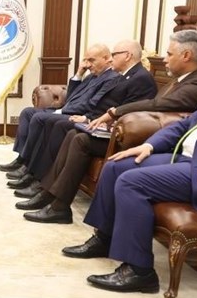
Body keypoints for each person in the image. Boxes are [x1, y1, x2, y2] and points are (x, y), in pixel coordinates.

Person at [63, 40, 197, 293]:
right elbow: (183, 126)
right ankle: (105, 238)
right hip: (183, 159)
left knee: (131, 182)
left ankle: (139, 271)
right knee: (116, 165)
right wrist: (149, 146)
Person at [19, 30, 197, 223]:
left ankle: (59, 206)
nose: (164, 59)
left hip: (148, 140)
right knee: (75, 135)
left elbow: (156, 105)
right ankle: (51, 196)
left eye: (169, 54)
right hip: (134, 131)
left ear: (186, 55)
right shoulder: (177, 81)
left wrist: (114, 113)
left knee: (79, 139)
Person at [9, 40, 157, 195]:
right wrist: (79, 75)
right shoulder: (119, 76)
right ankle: (30, 169)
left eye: (114, 55)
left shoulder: (138, 78)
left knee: (56, 124)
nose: (112, 59)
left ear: (127, 56)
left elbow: (124, 109)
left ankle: (38, 178)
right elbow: (78, 98)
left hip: (110, 129)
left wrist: (87, 118)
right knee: (37, 116)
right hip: (93, 119)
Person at [0, 44, 120, 174]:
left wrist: (63, 111)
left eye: (91, 60)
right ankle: (21, 158)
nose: (88, 65)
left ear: (106, 58)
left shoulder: (111, 78)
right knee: (27, 112)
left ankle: (27, 164)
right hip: (65, 110)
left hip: (76, 115)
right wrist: (79, 74)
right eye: (86, 60)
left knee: (39, 118)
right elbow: (71, 96)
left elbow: (92, 104)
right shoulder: (92, 75)